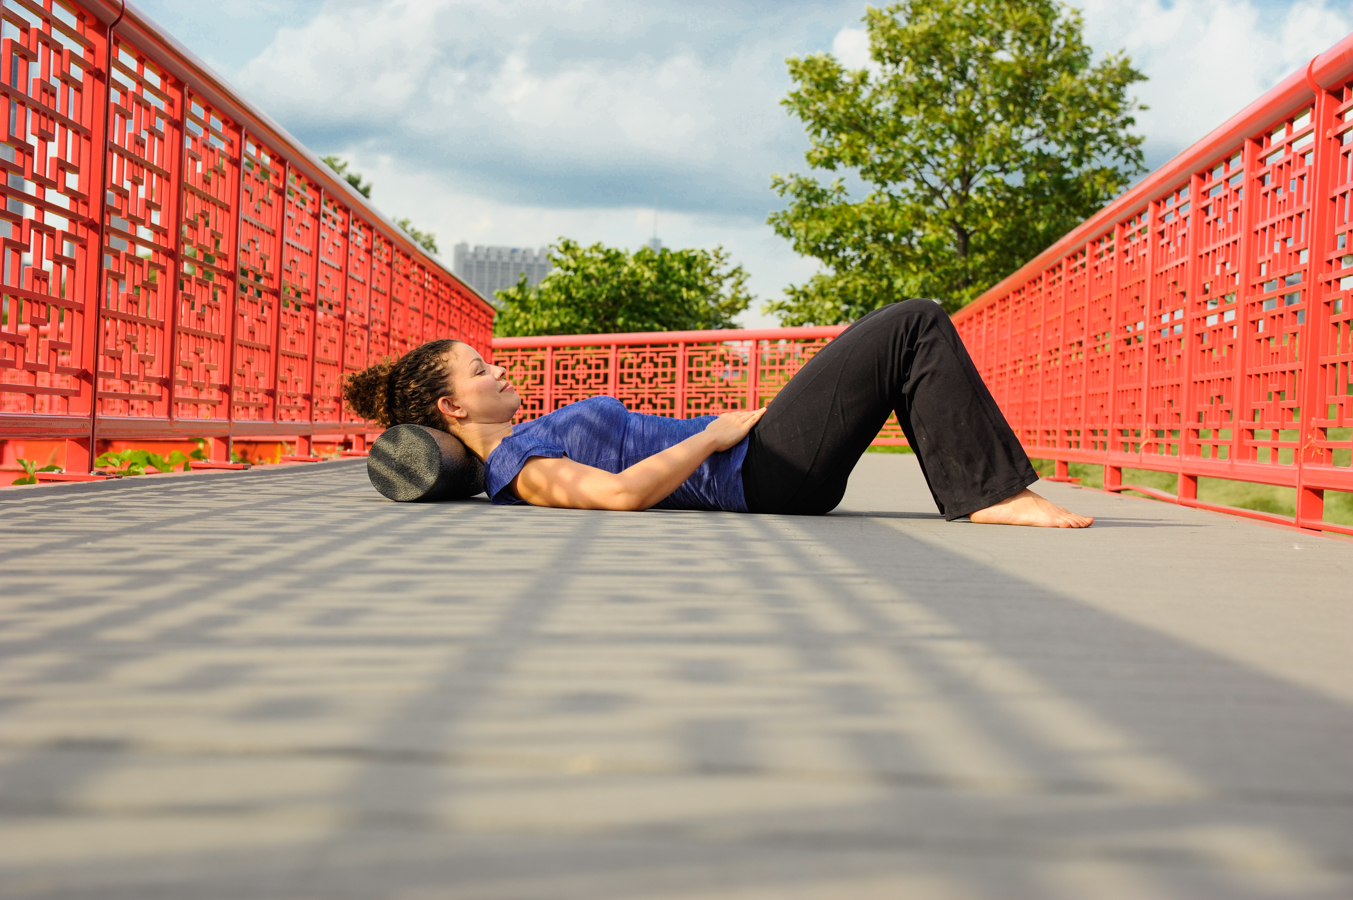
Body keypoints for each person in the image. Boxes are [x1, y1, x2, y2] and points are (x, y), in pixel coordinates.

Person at [343, 300, 1092, 527]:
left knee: (902, 340)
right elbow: (618, 495)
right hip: (757, 474)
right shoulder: (516, 463)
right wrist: (708, 435)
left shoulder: (522, 442)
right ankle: (990, 496)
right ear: (452, 406)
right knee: (912, 324)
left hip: (754, 457)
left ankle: (987, 492)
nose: (498, 367)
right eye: (480, 369)